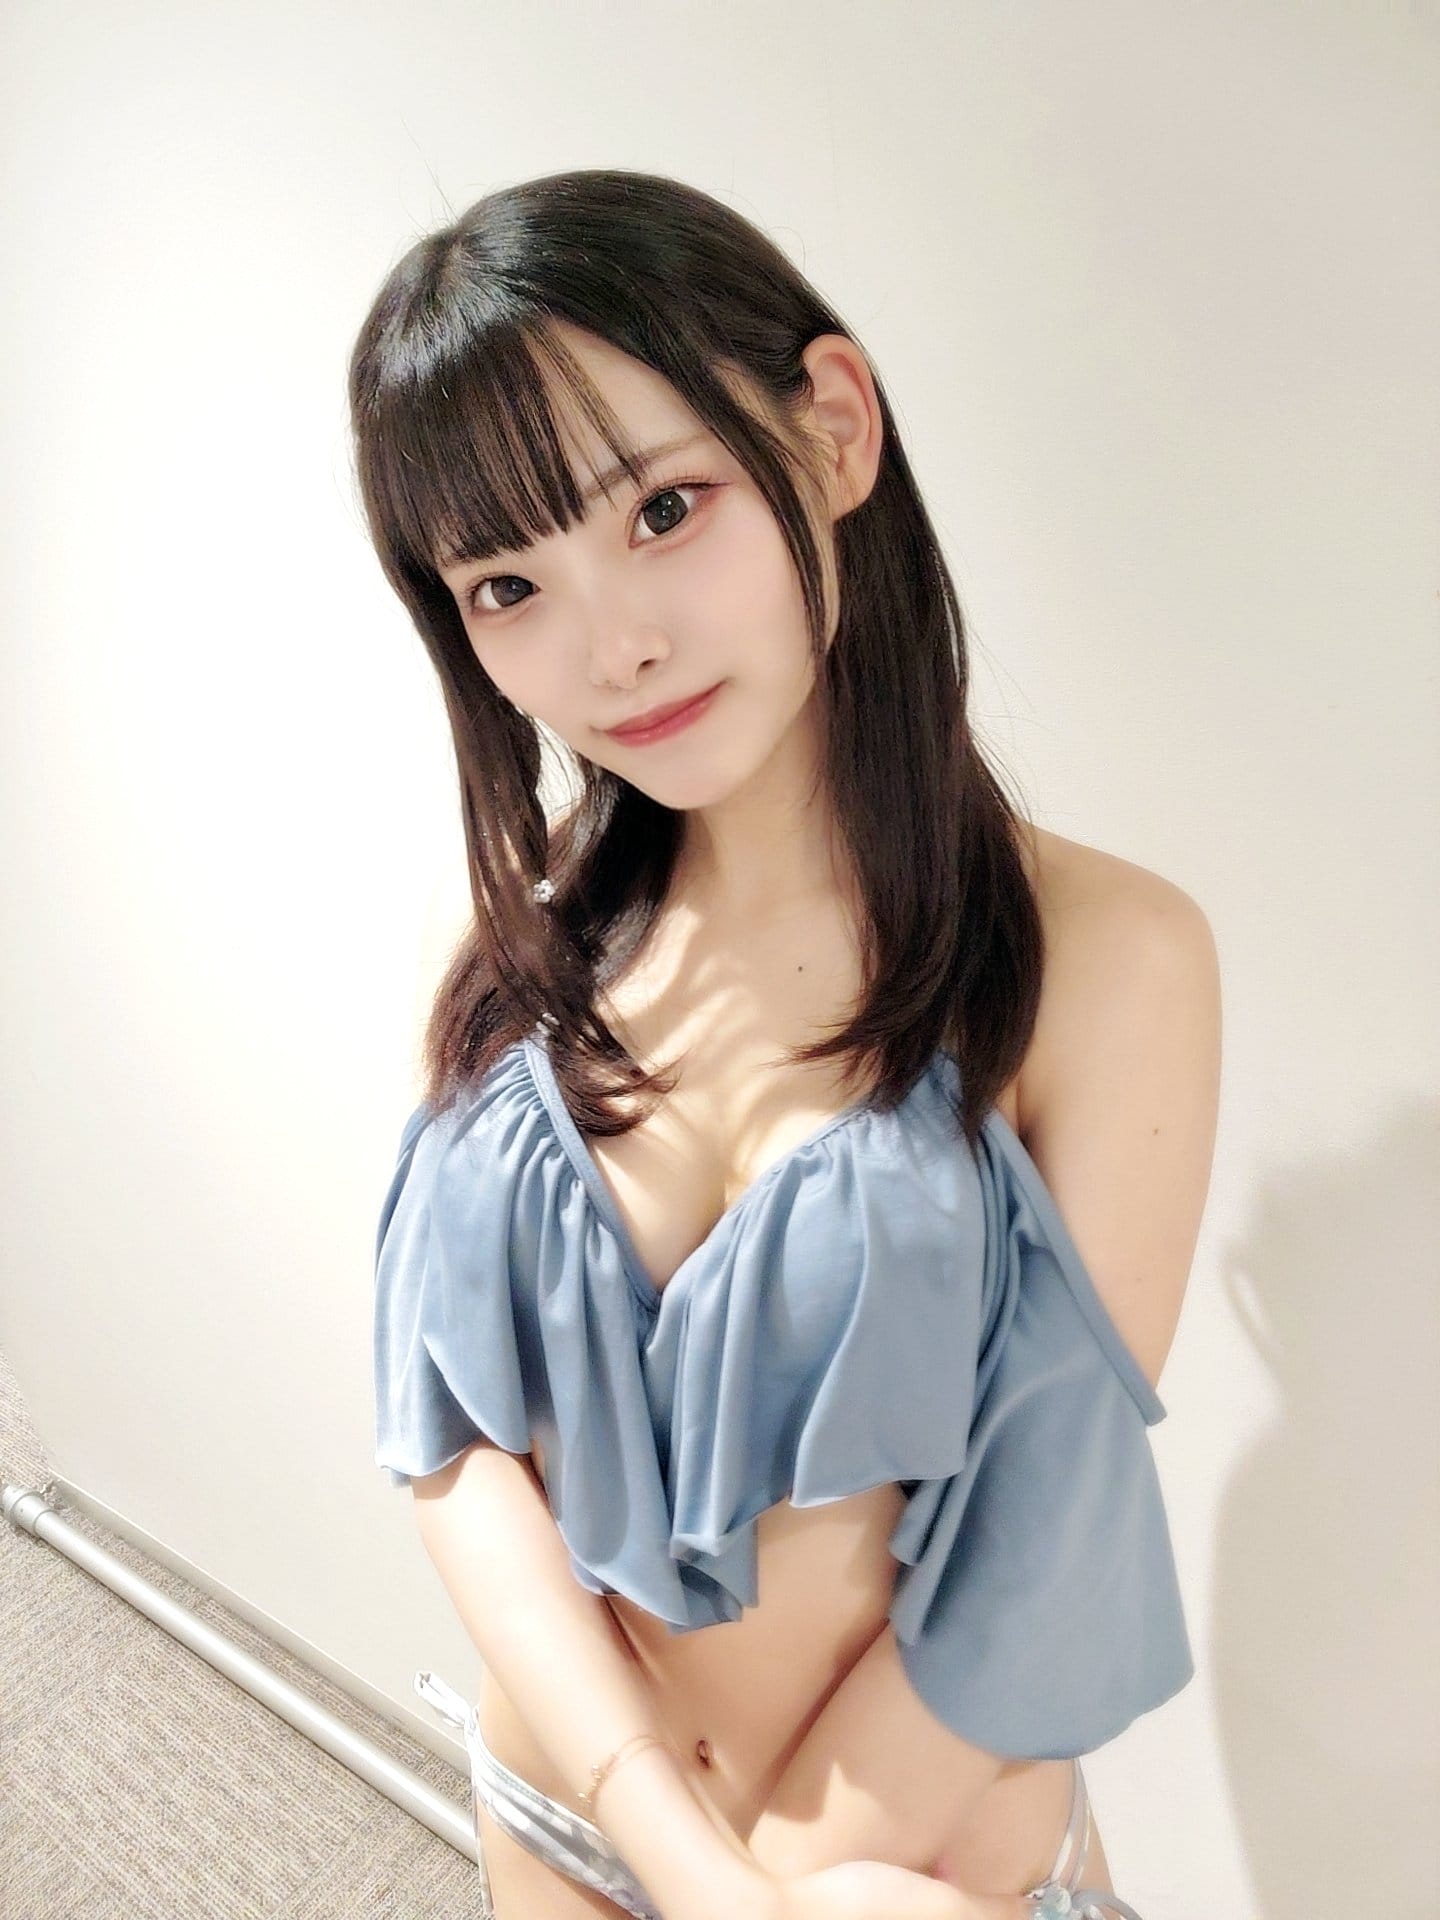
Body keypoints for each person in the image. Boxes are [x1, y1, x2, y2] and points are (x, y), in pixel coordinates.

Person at [352, 168, 1221, 1920]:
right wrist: (669, 1855)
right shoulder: (513, 950)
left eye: (665, 510)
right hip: (573, 1814)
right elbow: (455, 1441)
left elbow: (1038, 1531)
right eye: (509, 586)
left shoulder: (1106, 961)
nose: (615, 648)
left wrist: (761, 1893)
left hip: (902, 1867)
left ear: (830, 430)